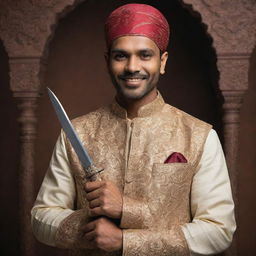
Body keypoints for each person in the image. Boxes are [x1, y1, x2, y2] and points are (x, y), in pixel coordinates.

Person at [31, 3, 236, 256]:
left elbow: (219, 230)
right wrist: (91, 228)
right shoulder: (76, 133)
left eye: (144, 55)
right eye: (121, 56)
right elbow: (41, 219)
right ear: (108, 62)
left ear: (162, 61)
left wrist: (125, 231)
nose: (132, 67)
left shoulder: (200, 136)